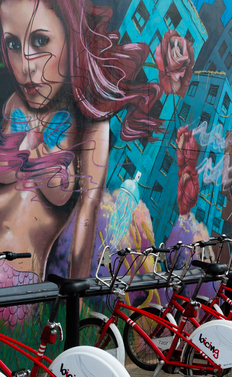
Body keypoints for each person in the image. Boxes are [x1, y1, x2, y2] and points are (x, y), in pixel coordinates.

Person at [0, 0, 162, 297]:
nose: (25, 64)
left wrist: (75, 300)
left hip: (15, 284)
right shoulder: (14, 106)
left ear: (71, 36)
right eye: (12, 43)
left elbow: (87, 216)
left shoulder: (89, 124)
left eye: (39, 40)